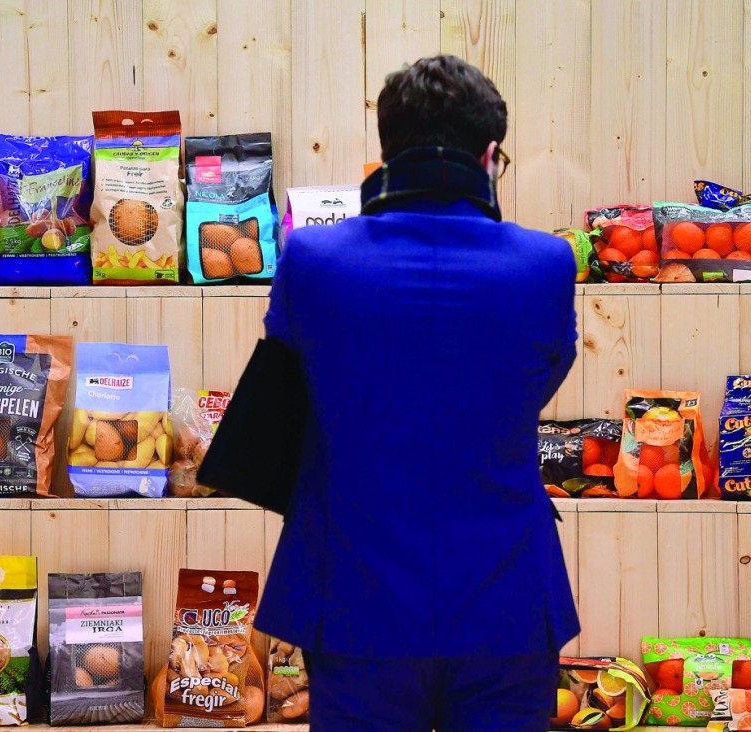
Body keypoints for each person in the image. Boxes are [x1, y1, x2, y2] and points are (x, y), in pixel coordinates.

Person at [256, 55, 579, 731]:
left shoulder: (311, 260)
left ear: (385, 148)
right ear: (490, 155)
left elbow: (294, 386)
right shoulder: (547, 265)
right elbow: (535, 385)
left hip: (352, 592)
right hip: (506, 594)